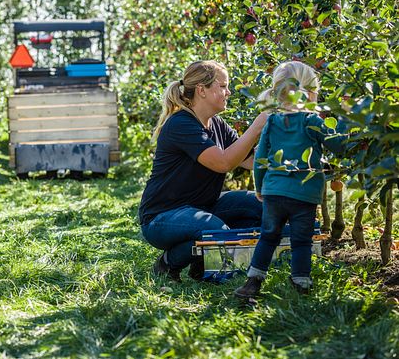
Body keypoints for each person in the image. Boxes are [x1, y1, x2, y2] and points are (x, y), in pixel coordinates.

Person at [139, 60, 269, 282]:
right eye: (223, 86)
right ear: (202, 90)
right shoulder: (181, 124)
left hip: (204, 207)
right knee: (215, 231)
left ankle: (200, 264)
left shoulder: (217, 125)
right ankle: (172, 263)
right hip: (162, 216)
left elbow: (251, 160)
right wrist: (256, 126)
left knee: (263, 209)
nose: (228, 92)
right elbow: (223, 163)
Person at [234, 61, 346, 298]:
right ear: (310, 91)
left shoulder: (272, 121)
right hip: (303, 194)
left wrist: (260, 187)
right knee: (301, 241)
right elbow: (339, 145)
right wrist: (347, 121)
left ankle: (252, 282)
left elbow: (261, 156)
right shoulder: (312, 121)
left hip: (274, 192)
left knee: (268, 237)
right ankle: (301, 283)